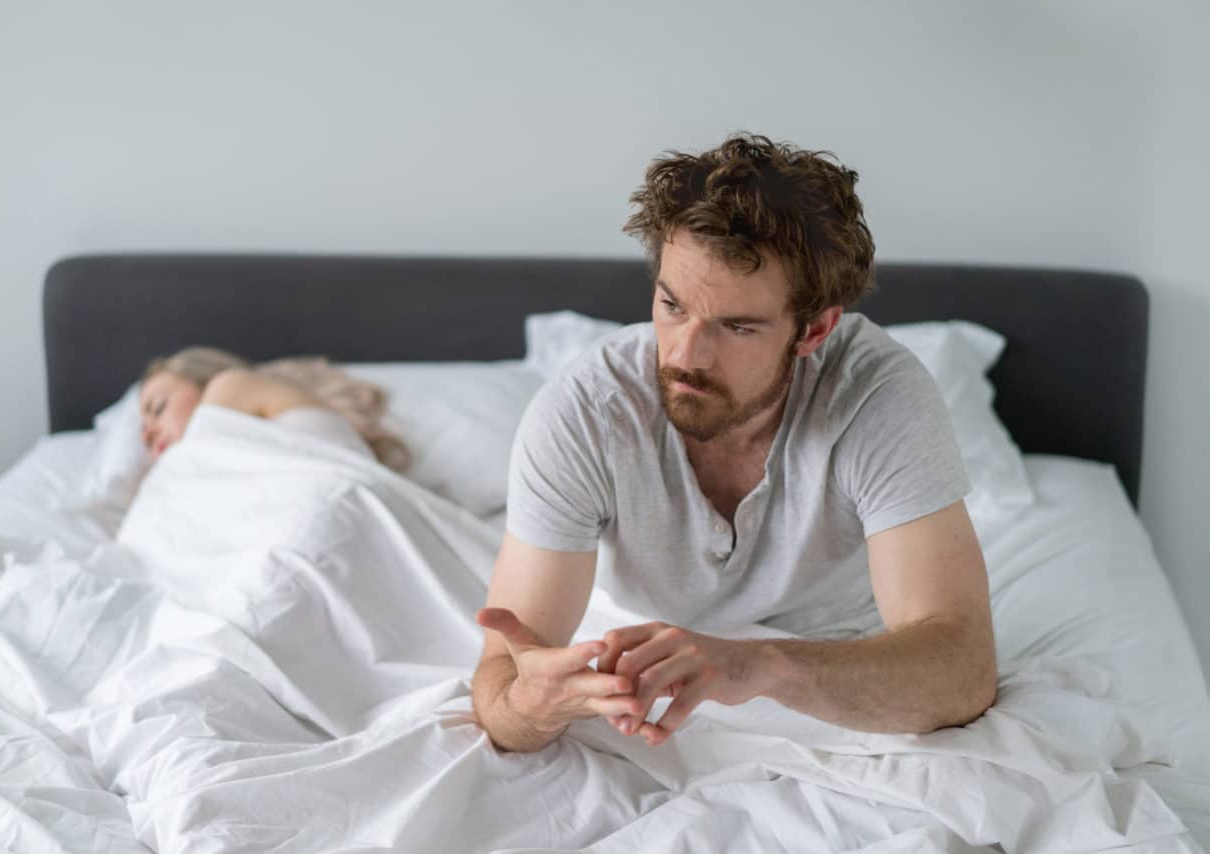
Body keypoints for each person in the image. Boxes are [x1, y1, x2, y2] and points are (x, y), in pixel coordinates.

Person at [471, 133, 997, 754]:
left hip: (842, 667)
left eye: (737, 326)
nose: (685, 356)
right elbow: (501, 685)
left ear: (815, 330)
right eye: (672, 305)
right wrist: (534, 703)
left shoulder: (876, 397)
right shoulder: (587, 410)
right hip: (641, 674)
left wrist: (757, 666)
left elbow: (962, 672)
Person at [138, 347, 408, 468]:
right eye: (142, 428)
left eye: (159, 407)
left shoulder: (230, 386)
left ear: (206, 381)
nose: (147, 434)